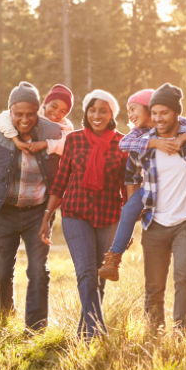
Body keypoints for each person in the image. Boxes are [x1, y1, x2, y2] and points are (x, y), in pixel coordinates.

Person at [112, 84, 186, 334]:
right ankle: (153, 332)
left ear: (177, 113)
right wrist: (139, 206)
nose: (158, 118)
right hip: (154, 224)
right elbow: (131, 176)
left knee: (184, 278)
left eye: (164, 112)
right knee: (154, 286)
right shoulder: (143, 144)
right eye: (154, 113)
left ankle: (181, 333)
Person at [97, 85, 186, 282]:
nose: (129, 114)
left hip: (178, 190)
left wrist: (182, 138)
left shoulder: (177, 123)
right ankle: (113, 259)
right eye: (128, 110)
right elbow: (124, 144)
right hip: (151, 189)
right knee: (129, 208)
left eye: (133, 108)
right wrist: (154, 143)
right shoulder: (138, 134)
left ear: (149, 108)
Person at [38, 90, 127, 340]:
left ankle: (84, 335)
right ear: (85, 113)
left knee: (99, 279)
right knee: (86, 274)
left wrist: (127, 228)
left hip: (109, 217)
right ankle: (99, 334)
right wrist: (47, 216)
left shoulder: (122, 143)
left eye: (103, 111)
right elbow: (60, 181)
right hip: (75, 214)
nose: (96, 115)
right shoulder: (74, 140)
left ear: (112, 115)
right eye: (92, 110)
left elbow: (126, 189)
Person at [0, 81, 62, 332]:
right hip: (3, 212)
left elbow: (71, 149)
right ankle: (4, 317)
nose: (25, 119)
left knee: (38, 271)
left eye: (30, 114)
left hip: (38, 212)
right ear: (10, 112)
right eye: (19, 114)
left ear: (38, 111)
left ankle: (36, 328)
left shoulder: (52, 131)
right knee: (1, 273)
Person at [0, 83, 75, 157]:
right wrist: (16, 140)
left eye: (63, 111)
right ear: (45, 103)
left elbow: (69, 146)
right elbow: (2, 118)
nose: (57, 113)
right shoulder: (33, 113)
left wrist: (46, 144)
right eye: (54, 106)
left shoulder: (65, 126)